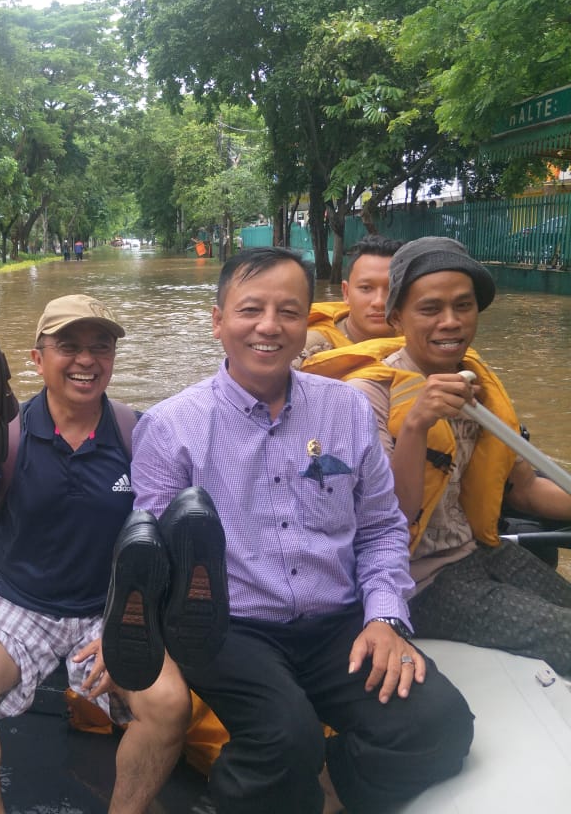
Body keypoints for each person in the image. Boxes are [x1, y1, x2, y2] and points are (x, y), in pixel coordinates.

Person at [124, 247, 473, 813]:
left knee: (441, 724)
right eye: (250, 310)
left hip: (338, 620)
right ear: (218, 322)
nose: (269, 326)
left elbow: (382, 527)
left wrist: (384, 617)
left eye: (288, 311)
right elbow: (157, 555)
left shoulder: (348, 410)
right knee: (287, 737)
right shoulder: (171, 427)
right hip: (230, 628)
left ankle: (329, 793)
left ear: (308, 319)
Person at [0, 295, 193, 814]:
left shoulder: (137, 434)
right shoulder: (7, 434)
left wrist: (130, 623)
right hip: (17, 601)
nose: (86, 360)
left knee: (168, 706)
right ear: (37, 358)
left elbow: (162, 548)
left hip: (108, 608)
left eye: (101, 347)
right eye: (68, 346)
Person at [304, 236, 571, 674]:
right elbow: (386, 518)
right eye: (430, 309)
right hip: (414, 581)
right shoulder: (365, 395)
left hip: (478, 551)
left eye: (463, 307)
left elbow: (523, 489)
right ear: (396, 318)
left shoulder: (477, 385)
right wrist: (416, 424)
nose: (450, 322)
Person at [295, 235, 402, 366]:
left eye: (392, 289)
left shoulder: (419, 341)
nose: (379, 302)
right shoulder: (312, 349)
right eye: (366, 288)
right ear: (346, 293)